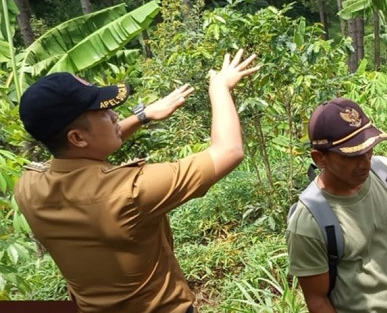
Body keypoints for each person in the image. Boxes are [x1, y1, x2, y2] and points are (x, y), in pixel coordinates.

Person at [14, 50, 260, 313]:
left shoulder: (27, 188)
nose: (115, 116)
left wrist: (143, 117)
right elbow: (229, 151)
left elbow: (84, 154)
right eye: (104, 112)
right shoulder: (130, 191)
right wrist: (219, 88)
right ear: (76, 138)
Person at [286, 97, 387, 313]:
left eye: (368, 150)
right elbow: (317, 299)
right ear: (320, 159)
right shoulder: (310, 221)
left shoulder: (384, 173)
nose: (365, 163)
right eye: (351, 156)